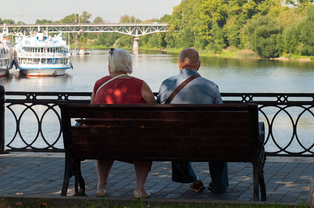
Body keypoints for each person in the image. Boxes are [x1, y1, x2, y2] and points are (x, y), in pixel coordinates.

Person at [157, 48, 229, 194]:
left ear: (179, 64)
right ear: (199, 65)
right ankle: (219, 185)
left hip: (174, 143)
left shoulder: (165, 85)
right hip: (206, 142)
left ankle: (194, 180)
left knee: (173, 134)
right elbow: (221, 117)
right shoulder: (211, 86)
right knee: (219, 139)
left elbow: (159, 115)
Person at [91, 47, 156, 199]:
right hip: (133, 141)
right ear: (128, 63)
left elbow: (92, 111)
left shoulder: (99, 84)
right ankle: (139, 189)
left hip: (104, 140)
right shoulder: (141, 85)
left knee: (104, 140)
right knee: (144, 142)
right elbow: (153, 109)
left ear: (111, 65)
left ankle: (101, 187)